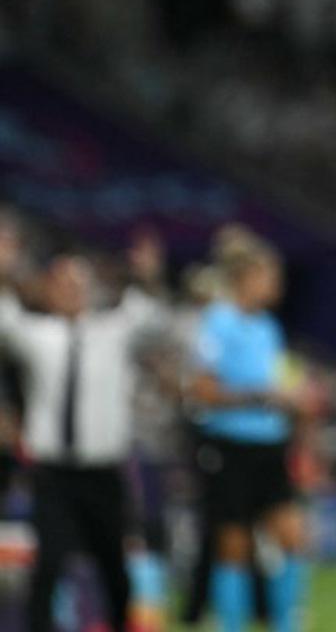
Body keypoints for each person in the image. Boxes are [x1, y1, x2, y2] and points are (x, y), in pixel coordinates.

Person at [0, 228, 168, 632]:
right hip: (54, 473)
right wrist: (4, 270)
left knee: (114, 565)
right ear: (49, 290)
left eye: (78, 282)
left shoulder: (113, 330)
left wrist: (147, 276)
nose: (71, 290)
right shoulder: (38, 334)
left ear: (91, 287)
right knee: (49, 564)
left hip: (103, 471)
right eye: (62, 283)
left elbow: (152, 317)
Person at [189, 241, 307, 632]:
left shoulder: (268, 327)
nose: (276, 285)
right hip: (230, 447)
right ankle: (232, 625)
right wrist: (260, 396)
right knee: (234, 546)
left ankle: (286, 623)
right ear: (245, 279)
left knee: (293, 536)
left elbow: (276, 384)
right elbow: (202, 391)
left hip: (270, 445)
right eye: (269, 276)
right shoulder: (217, 322)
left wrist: (291, 400)